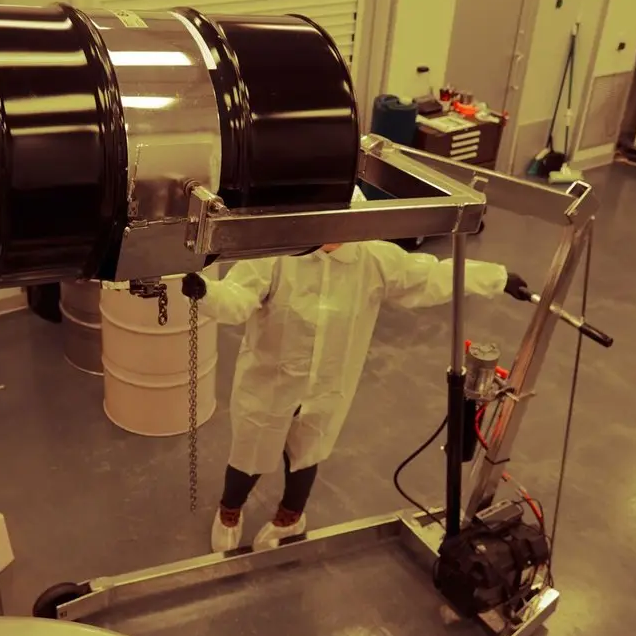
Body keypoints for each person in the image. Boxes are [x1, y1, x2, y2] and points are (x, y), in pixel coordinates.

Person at [186, 226, 523, 553]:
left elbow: (431, 275)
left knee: (308, 452)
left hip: (329, 384)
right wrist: (207, 291)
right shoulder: (276, 254)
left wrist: (498, 277)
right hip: (270, 381)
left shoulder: (372, 258)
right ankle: (230, 511)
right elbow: (237, 297)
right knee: (251, 450)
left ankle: (290, 518)